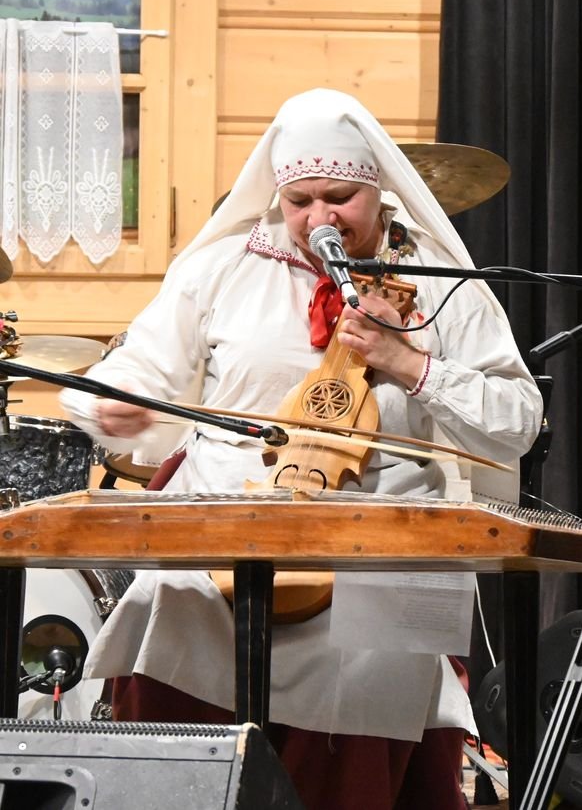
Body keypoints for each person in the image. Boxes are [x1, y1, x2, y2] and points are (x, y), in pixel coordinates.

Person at [60, 88, 542, 810]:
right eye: (299, 201)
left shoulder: (443, 285)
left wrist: (409, 363)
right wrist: (114, 402)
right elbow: (133, 371)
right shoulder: (221, 269)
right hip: (224, 540)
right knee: (169, 625)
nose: (320, 219)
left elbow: (518, 418)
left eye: (340, 198)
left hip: (379, 545)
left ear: (378, 189)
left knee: (374, 674)